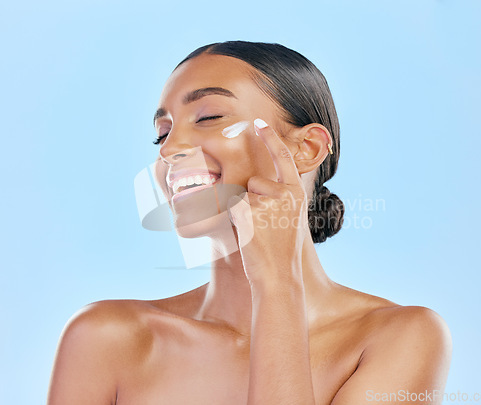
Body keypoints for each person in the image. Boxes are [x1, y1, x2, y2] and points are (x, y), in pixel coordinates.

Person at [47, 41, 452, 405]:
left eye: (208, 117)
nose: (170, 149)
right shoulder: (106, 339)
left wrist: (276, 286)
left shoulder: (400, 338)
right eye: (162, 133)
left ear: (307, 148)